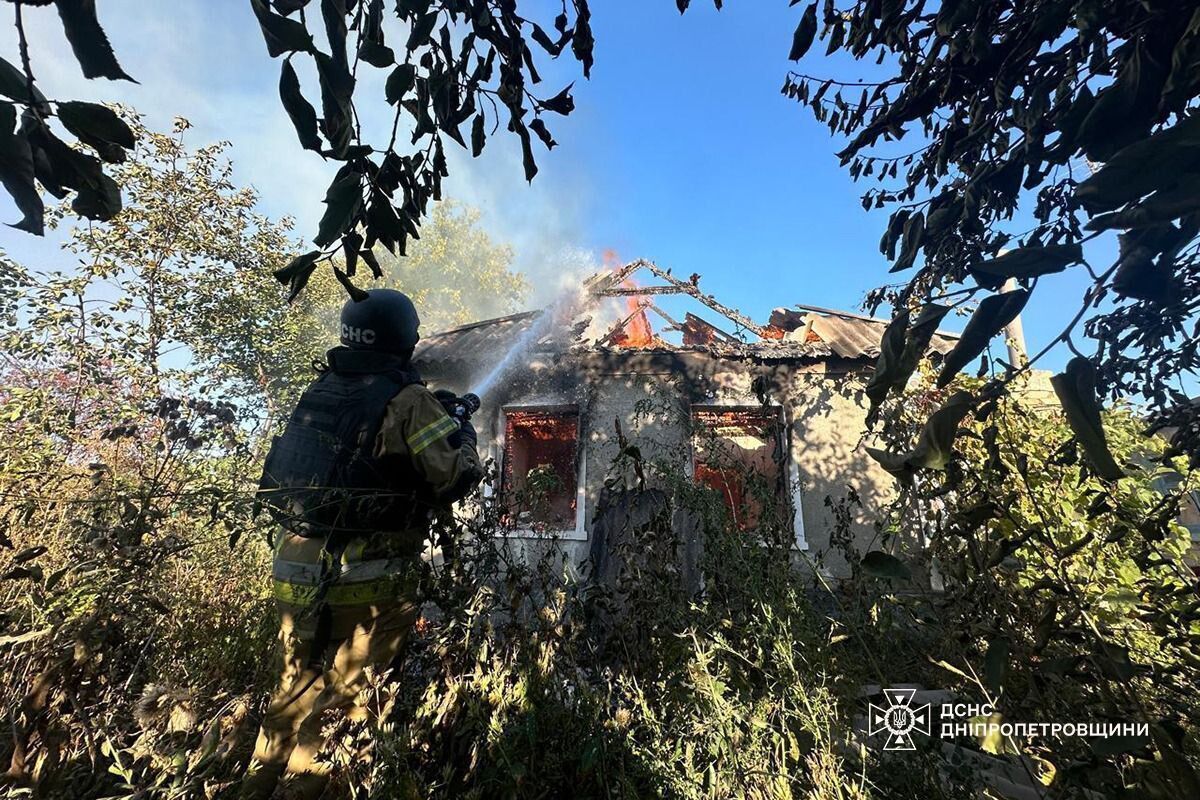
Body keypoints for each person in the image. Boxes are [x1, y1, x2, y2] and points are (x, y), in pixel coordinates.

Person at [242, 289, 483, 799]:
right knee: (346, 709)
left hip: (296, 564)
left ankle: (256, 787)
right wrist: (464, 436)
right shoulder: (409, 400)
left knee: (292, 690)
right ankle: (306, 790)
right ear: (403, 340)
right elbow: (453, 478)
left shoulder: (323, 390)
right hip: (364, 579)